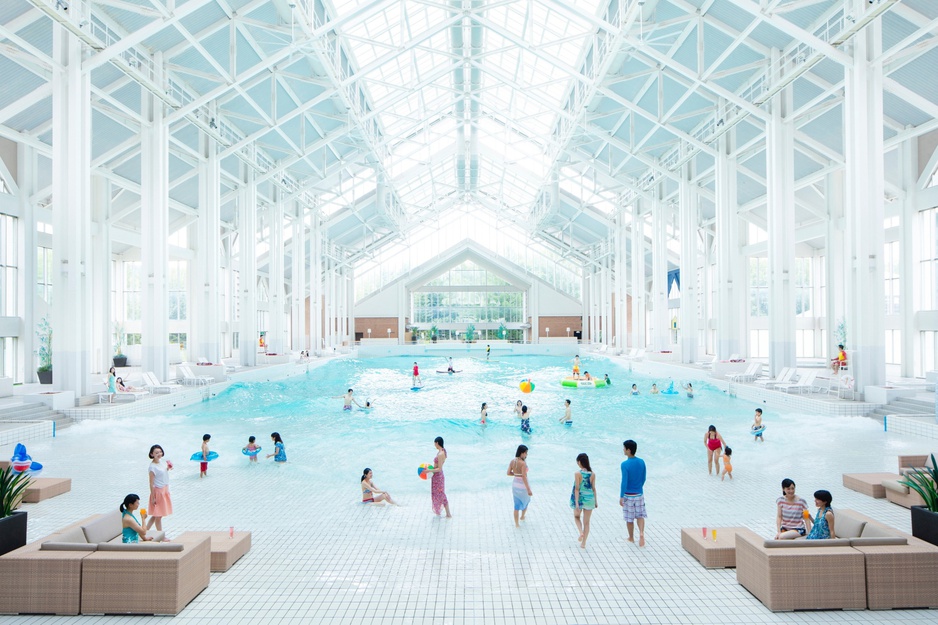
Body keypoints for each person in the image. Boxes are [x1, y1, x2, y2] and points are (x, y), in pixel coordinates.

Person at [619, 440, 647, 547]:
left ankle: (631, 538)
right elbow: (644, 478)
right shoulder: (642, 462)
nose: (623, 449)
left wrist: (621, 496)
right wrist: (639, 487)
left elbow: (624, 481)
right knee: (640, 515)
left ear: (628, 450)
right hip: (639, 493)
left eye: (624, 448)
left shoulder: (624, 464)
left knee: (629, 518)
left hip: (628, 495)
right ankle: (641, 533)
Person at [570, 453, 596, 549]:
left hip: (580, 499)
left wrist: (576, 502)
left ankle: (581, 532)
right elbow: (593, 489)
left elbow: (577, 489)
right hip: (590, 499)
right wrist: (596, 502)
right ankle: (584, 543)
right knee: (587, 522)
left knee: (577, 517)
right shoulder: (592, 474)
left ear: (579, 462)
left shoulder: (578, 474)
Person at [146, 444, 173, 532]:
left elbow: (163, 472)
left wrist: (168, 468)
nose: (159, 454)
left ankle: (145, 530)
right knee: (158, 516)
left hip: (164, 489)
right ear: (151, 454)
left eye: (160, 452)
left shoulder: (162, 461)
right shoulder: (152, 467)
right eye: (156, 452)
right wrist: (153, 497)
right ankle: (160, 535)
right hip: (158, 491)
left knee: (156, 514)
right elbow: (151, 483)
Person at [424, 436, 451, 517]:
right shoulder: (444, 451)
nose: (434, 445)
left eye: (434, 443)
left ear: (437, 443)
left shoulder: (440, 454)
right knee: (439, 493)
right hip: (438, 476)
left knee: (441, 494)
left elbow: (439, 469)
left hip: (438, 476)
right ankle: (441, 511)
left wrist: (429, 470)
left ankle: (448, 513)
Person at [507, 445, 532, 527]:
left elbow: (508, 473)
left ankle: (517, 524)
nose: (526, 455)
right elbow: (524, 477)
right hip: (523, 486)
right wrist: (528, 489)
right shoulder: (523, 463)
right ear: (522, 453)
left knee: (516, 505)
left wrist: (517, 474)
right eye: (526, 453)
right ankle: (522, 517)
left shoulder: (512, 461)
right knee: (526, 501)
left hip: (515, 485)